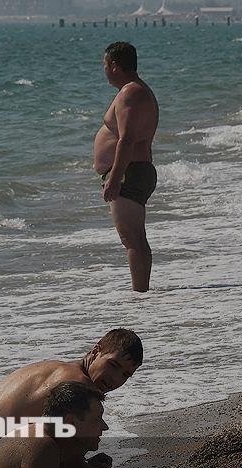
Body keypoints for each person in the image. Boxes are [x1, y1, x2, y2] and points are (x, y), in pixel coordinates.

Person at [0, 328, 142, 466]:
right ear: (96, 351)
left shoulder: (52, 368)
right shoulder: (78, 384)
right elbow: (65, 454)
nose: (115, 379)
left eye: (125, 375)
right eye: (113, 365)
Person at [93, 42, 160, 292]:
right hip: (133, 170)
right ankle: (142, 293)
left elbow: (127, 139)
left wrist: (114, 178)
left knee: (132, 240)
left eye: (104, 65)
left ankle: (140, 296)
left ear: (114, 66)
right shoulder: (137, 90)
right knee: (136, 238)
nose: (104, 70)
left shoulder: (130, 92)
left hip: (129, 173)